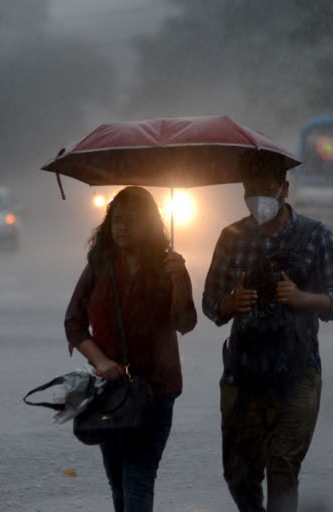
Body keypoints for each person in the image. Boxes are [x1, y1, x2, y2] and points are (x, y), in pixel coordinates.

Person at [202, 153, 333, 512]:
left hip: (297, 372)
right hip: (243, 373)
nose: (259, 199)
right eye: (250, 191)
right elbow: (210, 303)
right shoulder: (231, 238)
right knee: (239, 473)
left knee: (282, 464)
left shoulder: (316, 237)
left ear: (284, 189)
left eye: (266, 189)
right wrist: (231, 303)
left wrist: (302, 298)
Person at [64, 186, 197, 512]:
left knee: (138, 478)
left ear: (149, 224)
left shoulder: (168, 266)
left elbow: (185, 322)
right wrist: (101, 361)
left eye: (131, 221)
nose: (122, 227)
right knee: (119, 484)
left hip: (155, 392)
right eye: (117, 220)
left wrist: (180, 281)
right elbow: (74, 322)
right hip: (112, 392)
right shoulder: (100, 265)